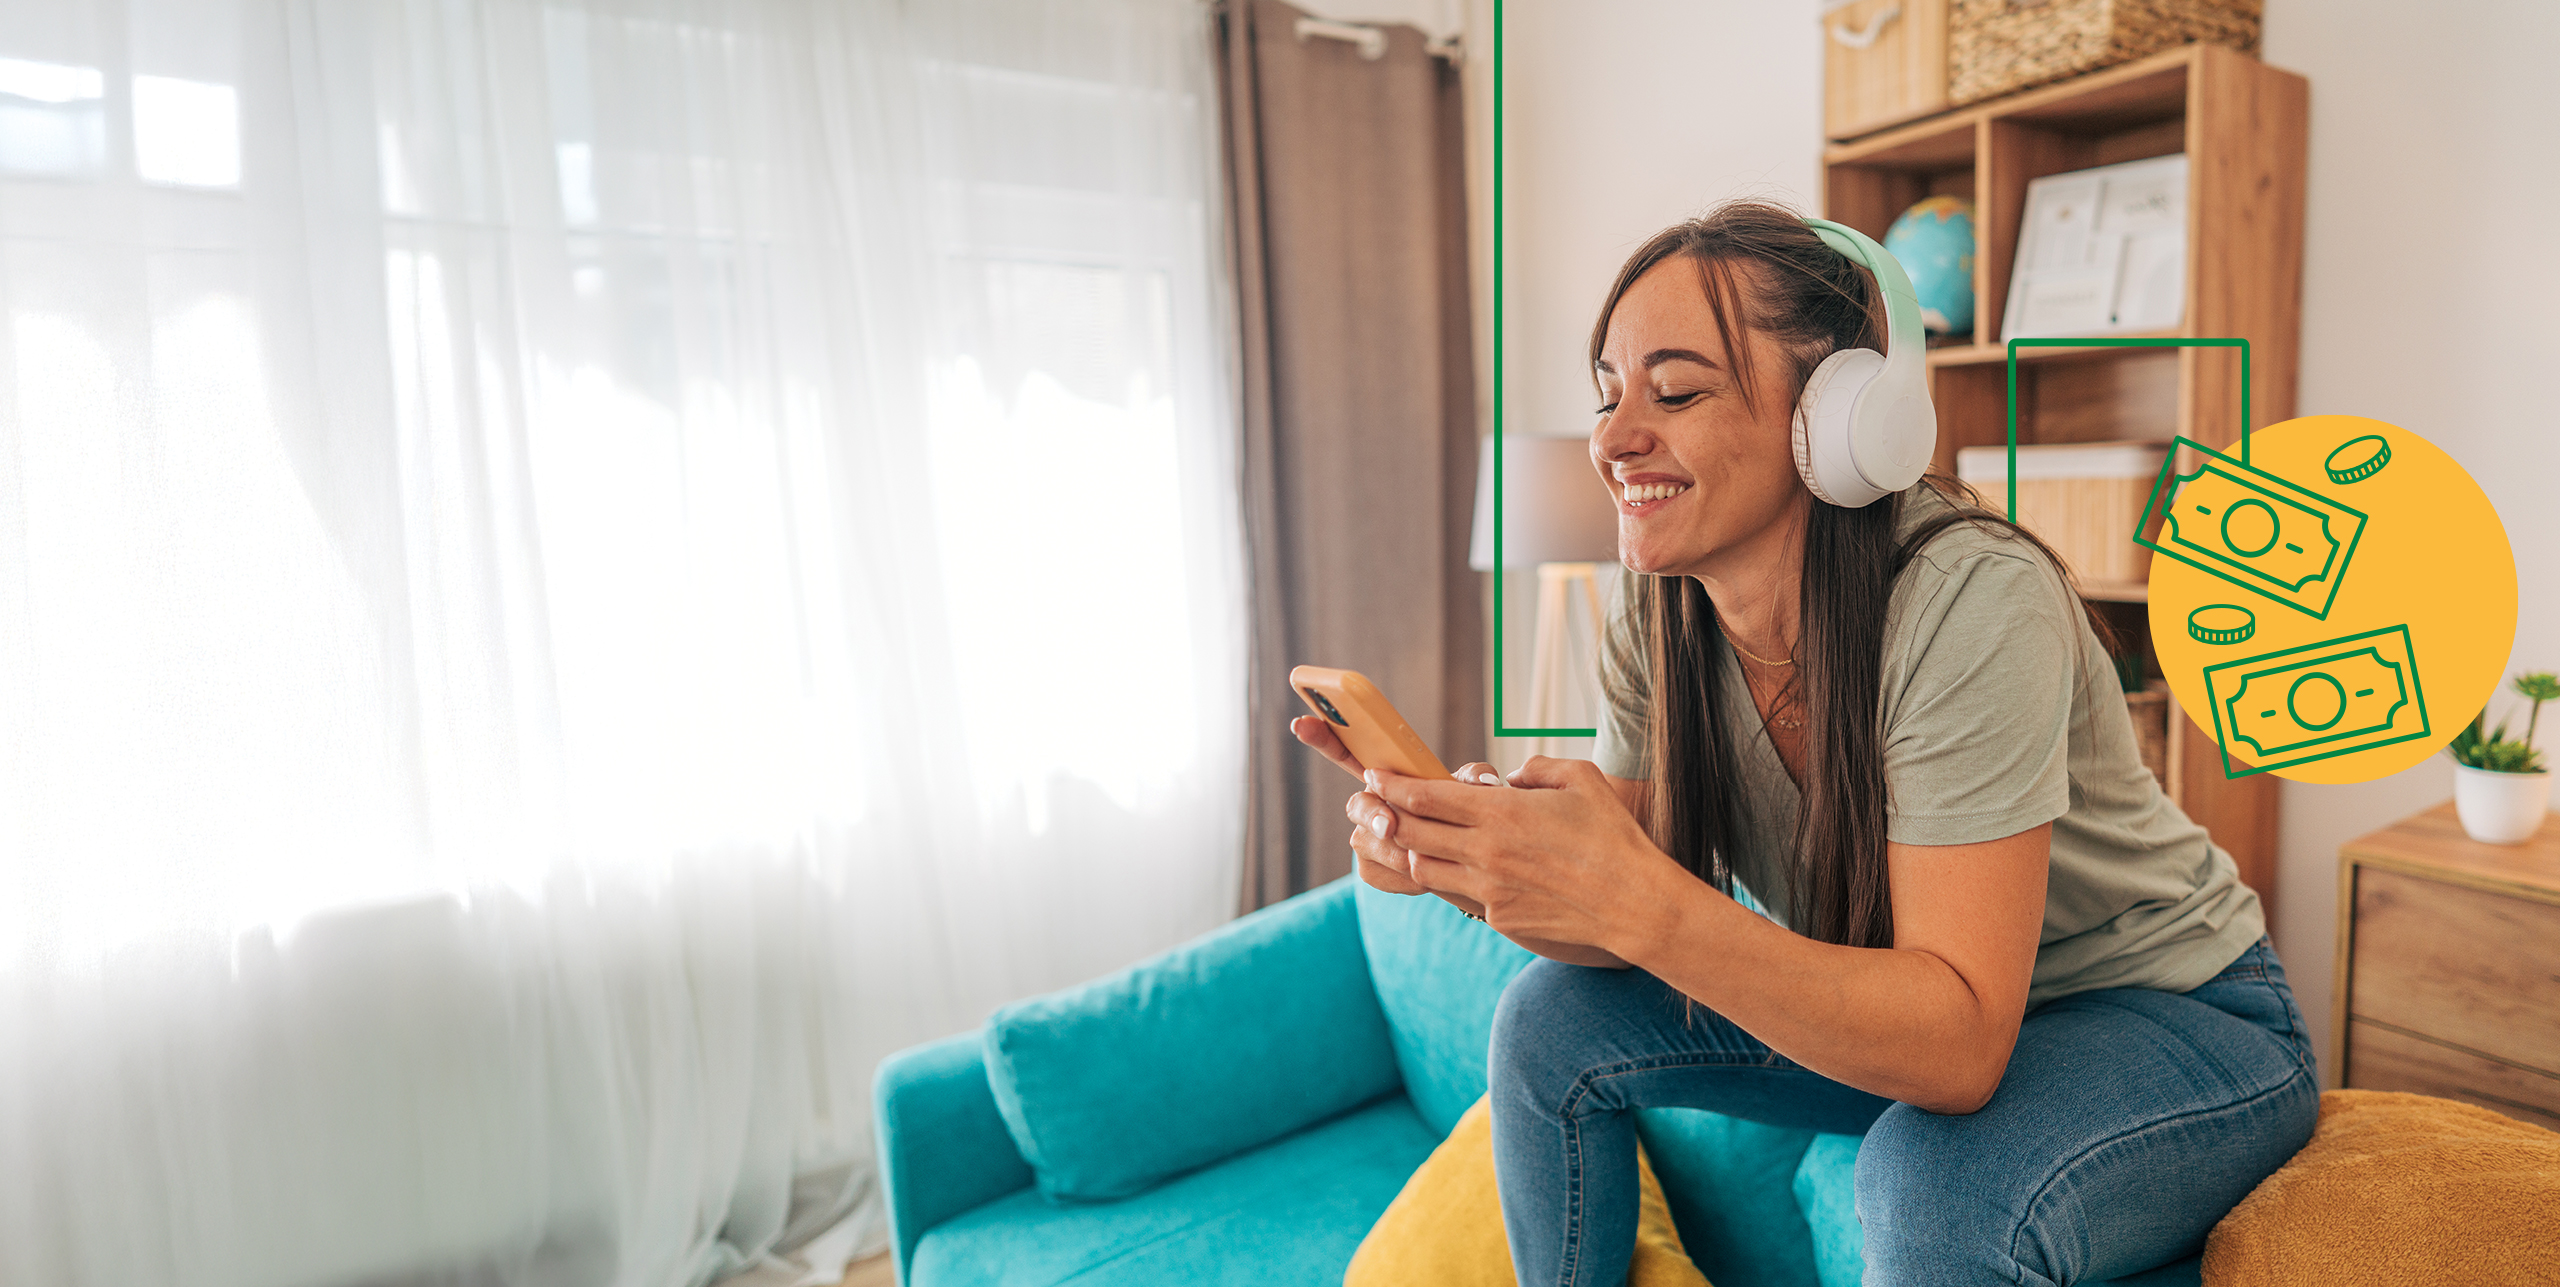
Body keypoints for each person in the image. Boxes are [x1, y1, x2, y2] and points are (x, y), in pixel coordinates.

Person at [1291, 200, 2318, 1287]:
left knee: (1929, 1180)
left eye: (1675, 390)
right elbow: (1618, 920)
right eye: (1608, 394)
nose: (1612, 436)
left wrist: (1635, 896)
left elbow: (1958, 1049)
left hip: (2172, 1014)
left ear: (1840, 417)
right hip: (1899, 994)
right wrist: (1476, 860)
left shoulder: (1969, 599)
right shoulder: (1660, 610)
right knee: (1548, 1021)